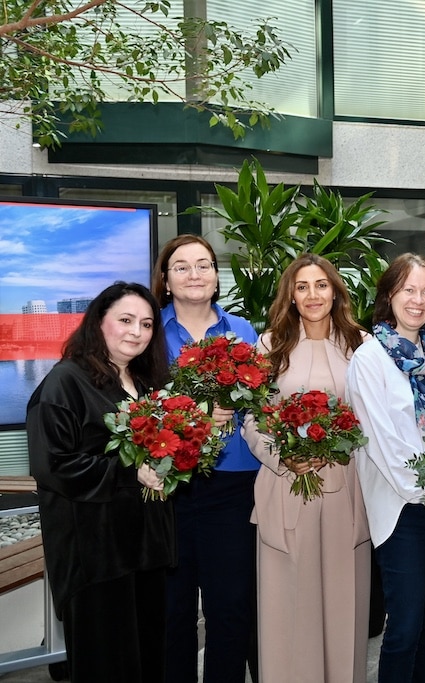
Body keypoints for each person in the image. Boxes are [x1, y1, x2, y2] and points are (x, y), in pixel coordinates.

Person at [27, 281, 174, 682]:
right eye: (125, 320)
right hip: (95, 557)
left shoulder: (146, 384)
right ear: (98, 322)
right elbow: (53, 466)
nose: (136, 332)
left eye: (146, 324)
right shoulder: (64, 382)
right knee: (106, 666)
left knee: (147, 661)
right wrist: (130, 471)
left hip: (144, 550)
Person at [240, 253, 371, 683]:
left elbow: (376, 418)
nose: (312, 295)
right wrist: (283, 457)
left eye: (320, 285)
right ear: (290, 296)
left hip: (346, 490)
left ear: (335, 291)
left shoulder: (362, 346)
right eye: (302, 286)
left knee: (341, 602)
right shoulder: (268, 346)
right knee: (286, 604)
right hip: (285, 488)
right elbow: (253, 418)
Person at [347, 253, 425, 683]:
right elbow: (382, 442)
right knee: (403, 625)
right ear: (388, 295)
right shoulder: (369, 358)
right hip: (402, 508)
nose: (417, 300)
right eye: (407, 290)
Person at [152, 234, 260, 683]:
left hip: (234, 485)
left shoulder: (243, 331)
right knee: (172, 609)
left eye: (203, 265)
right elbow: (138, 405)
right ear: (166, 278)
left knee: (230, 607)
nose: (194, 274)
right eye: (182, 266)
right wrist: (194, 413)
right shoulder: (150, 331)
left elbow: (258, 401)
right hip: (170, 487)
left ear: (217, 276)